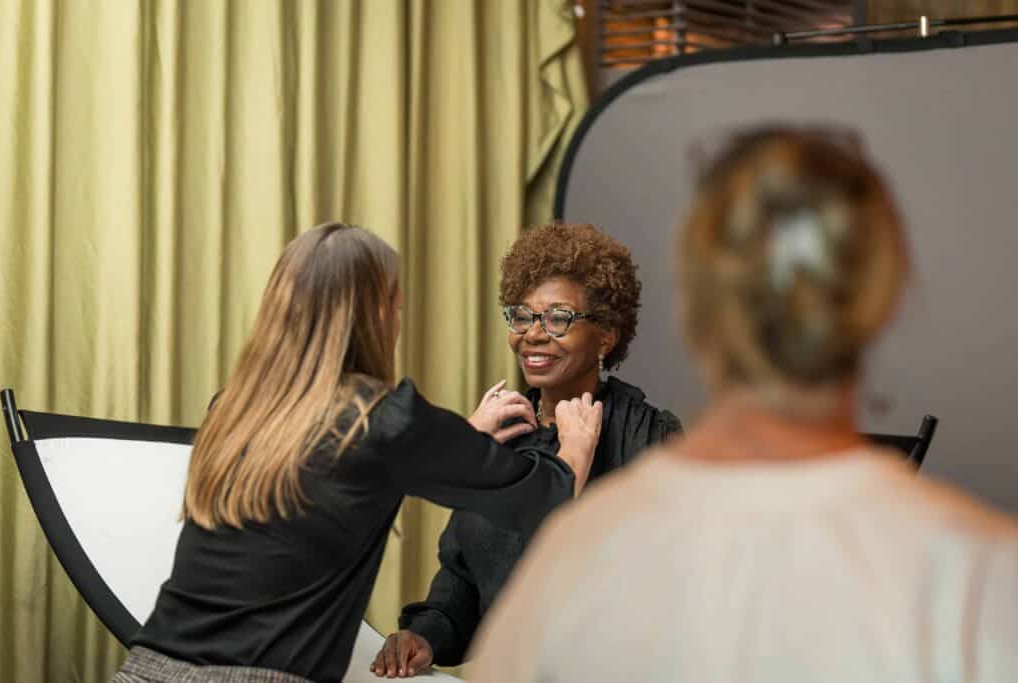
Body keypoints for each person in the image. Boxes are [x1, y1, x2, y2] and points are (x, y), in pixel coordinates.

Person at [468, 128, 1018, 682]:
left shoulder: (570, 559)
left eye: (557, 318)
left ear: (692, 310)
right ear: (886, 299)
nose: (536, 333)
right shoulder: (983, 577)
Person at [111, 223, 604, 683]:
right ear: (375, 316)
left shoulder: (235, 407)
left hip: (146, 668)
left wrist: (464, 435)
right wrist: (575, 451)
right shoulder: (387, 421)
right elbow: (543, 499)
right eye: (395, 305)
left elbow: (334, 475)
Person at [372, 224, 681, 678]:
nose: (533, 334)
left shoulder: (647, 437)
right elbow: (461, 583)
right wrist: (425, 637)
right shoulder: (504, 432)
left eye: (558, 318)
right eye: (522, 316)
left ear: (606, 336)